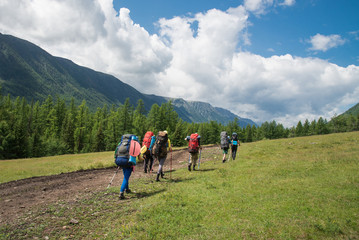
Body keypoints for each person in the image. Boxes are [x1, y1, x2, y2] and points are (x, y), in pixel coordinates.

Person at [114, 134, 139, 199]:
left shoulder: (121, 143)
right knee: (126, 177)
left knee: (125, 175)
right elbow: (138, 155)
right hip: (127, 162)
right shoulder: (134, 144)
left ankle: (127, 189)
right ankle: (121, 193)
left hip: (119, 160)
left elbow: (116, 152)